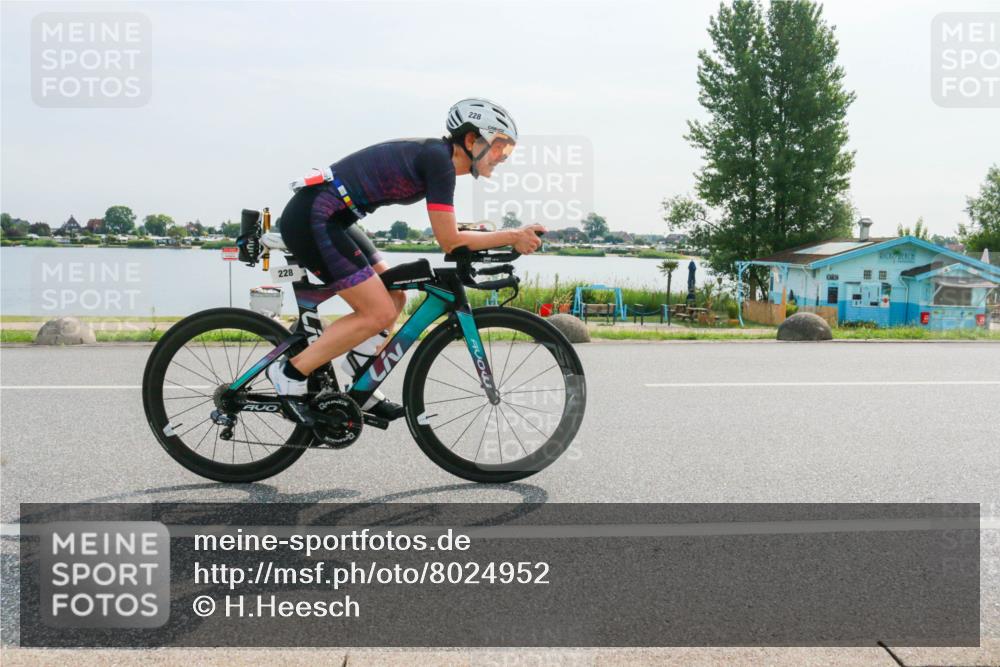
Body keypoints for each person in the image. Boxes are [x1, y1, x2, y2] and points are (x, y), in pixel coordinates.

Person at [267, 98, 546, 420]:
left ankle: (362, 377)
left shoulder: (437, 158)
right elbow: (450, 240)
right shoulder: (439, 162)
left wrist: (491, 235)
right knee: (378, 311)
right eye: (500, 148)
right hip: (316, 216)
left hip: (335, 217)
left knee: (393, 295)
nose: (502, 158)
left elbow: (449, 230)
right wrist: (512, 235)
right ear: (471, 140)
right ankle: (290, 374)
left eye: (507, 151)